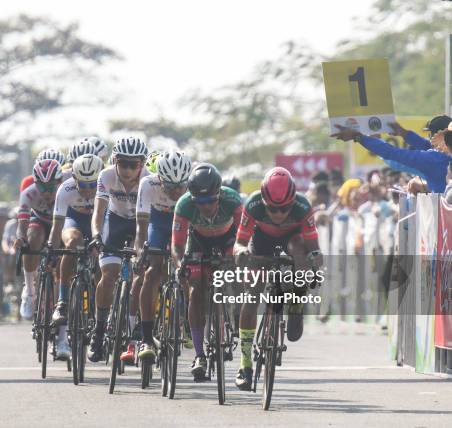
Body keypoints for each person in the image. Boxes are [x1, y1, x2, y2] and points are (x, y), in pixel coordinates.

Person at [233, 167, 322, 390]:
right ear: (264, 201)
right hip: (261, 241)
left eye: (284, 209)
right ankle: (245, 364)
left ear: (293, 201)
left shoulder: (302, 207)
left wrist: (313, 266)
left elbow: (315, 249)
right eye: (273, 209)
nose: (279, 215)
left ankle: (296, 303)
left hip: (293, 241)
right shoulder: (253, 204)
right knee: (251, 296)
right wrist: (242, 254)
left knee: (300, 253)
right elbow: (240, 242)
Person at [171, 163, 243, 380]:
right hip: (198, 243)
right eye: (199, 202)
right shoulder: (184, 205)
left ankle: (237, 314)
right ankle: (200, 355)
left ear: (218, 194)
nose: (206, 206)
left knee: (238, 273)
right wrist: (180, 264)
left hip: (229, 241)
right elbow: (176, 245)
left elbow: (245, 237)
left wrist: (236, 258)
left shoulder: (232, 200)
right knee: (195, 291)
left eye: (210, 200)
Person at [87, 137, 150, 363]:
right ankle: (99, 330)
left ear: (141, 165)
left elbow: (146, 224)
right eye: (123, 163)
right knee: (109, 275)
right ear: (115, 161)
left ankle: (135, 330)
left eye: (133, 165)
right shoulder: (106, 176)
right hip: (114, 222)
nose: (127, 169)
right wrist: (96, 235)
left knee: (140, 277)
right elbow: (99, 211)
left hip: (140, 224)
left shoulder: (148, 180)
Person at [134, 150, 192, 362]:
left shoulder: (194, 183)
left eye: (180, 187)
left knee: (188, 272)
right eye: (170, 187)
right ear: (160, 179)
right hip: (157, 223)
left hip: (184, 221)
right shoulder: (148, 184)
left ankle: (188, 321)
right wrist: (141, 253)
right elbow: (141, 228)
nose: (176, 192)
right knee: (151, 272)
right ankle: (147, 338)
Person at [47, 154, 105, 360]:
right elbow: (57, 227)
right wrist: (52, 250)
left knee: (103, 258)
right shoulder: (66, 189)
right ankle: (63, 302)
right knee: (71, 243)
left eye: (92, 185)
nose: (88, 190)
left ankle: (101, 313)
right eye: (83, 184)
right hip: (74, 221)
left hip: (99, 221)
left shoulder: (106, 187)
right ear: (74, 178)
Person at [331, 116, 452, 193]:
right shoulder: (442, 156)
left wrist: (358, 137)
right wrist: (404, 133)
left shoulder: (435, 159)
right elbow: (428, 145)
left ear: (440, 138)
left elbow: (392, 154)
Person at [14, 159, 64, 319]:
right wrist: (21, 238)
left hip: (62, 221)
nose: (47, 192)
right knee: (32, 237)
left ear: (59, 181)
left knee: (68, 251)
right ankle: (29, 291)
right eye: (41, 187)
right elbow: (22, 224)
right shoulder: (28, 193)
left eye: (50, 187)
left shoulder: (67, 187)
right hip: (40, 221)